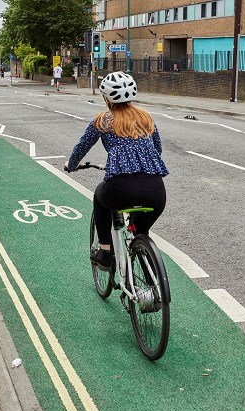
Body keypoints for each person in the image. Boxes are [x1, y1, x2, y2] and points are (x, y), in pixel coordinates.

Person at [65, 71, 169, 270]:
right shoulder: (146, 118)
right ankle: (152, 285)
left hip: (121, 190)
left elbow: (81, 147)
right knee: (140, 231)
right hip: (155, 191)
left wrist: (71, 166)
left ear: (106, 98)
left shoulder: (102, 121)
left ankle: (105, 252)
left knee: (99, 196)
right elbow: (158, 150)